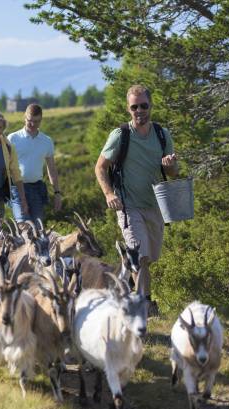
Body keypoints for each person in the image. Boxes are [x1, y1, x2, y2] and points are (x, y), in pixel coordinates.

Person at [95, 84, 178, 313]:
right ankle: (143, 304)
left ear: (150, 106)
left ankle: (126, 285)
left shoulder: (162, 134)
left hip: (155, 206)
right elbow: (100, 167)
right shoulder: (120, 135)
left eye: (143, 105)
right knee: (140, 257)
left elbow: (173, 173)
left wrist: (170, 166)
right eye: (134, 107)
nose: (139, 110)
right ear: (128, 109)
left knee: (149, 258)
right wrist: (109, 194)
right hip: (128, 205)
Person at [8, 103, 62, 223]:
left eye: (37, 121)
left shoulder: (47, 141)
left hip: (37, 189)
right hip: (17, 189)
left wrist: (57, 193)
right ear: (24, 118)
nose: (33, 125)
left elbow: (51, 168)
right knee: (24, 225)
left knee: (38, 228)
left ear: (41, 120)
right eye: (30, 121)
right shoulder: (12, 138)